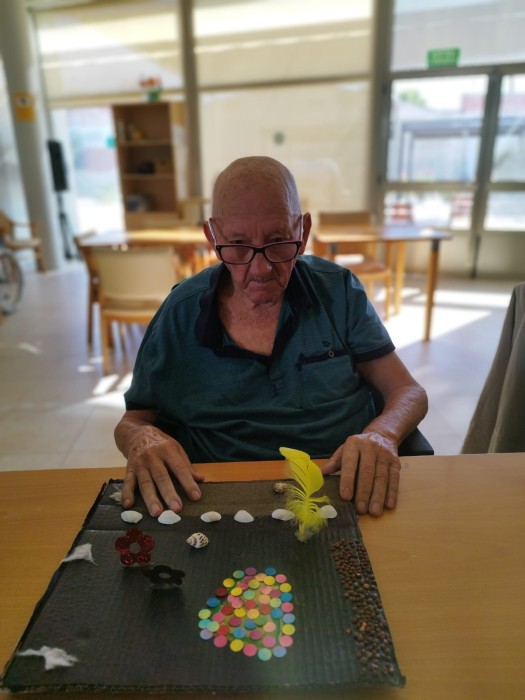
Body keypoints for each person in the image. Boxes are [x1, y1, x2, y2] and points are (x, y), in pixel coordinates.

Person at [115, 156, 428, 519]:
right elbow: (134, 420)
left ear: (303, 232)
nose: (260, 268)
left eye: (278, 241)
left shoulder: (338, 292)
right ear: (213, 237)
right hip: (219, 502)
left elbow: (408, 391)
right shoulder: (180, 312)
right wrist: (142, 439)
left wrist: (382, 434)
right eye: (238, 244)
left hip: (341, 492)